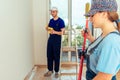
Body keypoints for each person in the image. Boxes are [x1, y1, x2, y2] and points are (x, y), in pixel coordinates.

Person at [82, 0, 120, 80]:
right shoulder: (105, 35)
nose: (90, 19)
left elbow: (103, 77)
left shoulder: (112, 41)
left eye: (92, 15)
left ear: (104, 14)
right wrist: (90, 38)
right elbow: (101, 48)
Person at [44, 7, 65, 78]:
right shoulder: (51, 21)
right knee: (49, 55)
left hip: (57, 41)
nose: (52, 13)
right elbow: (49, 29)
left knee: (56, 56)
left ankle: (56, 71)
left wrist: (55, 32)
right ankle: (50, 70)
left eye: (53, 12)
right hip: (50, 40)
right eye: (51, 12)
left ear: (57, 12)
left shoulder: (61, 21)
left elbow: (62, 32)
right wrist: (47, 28)